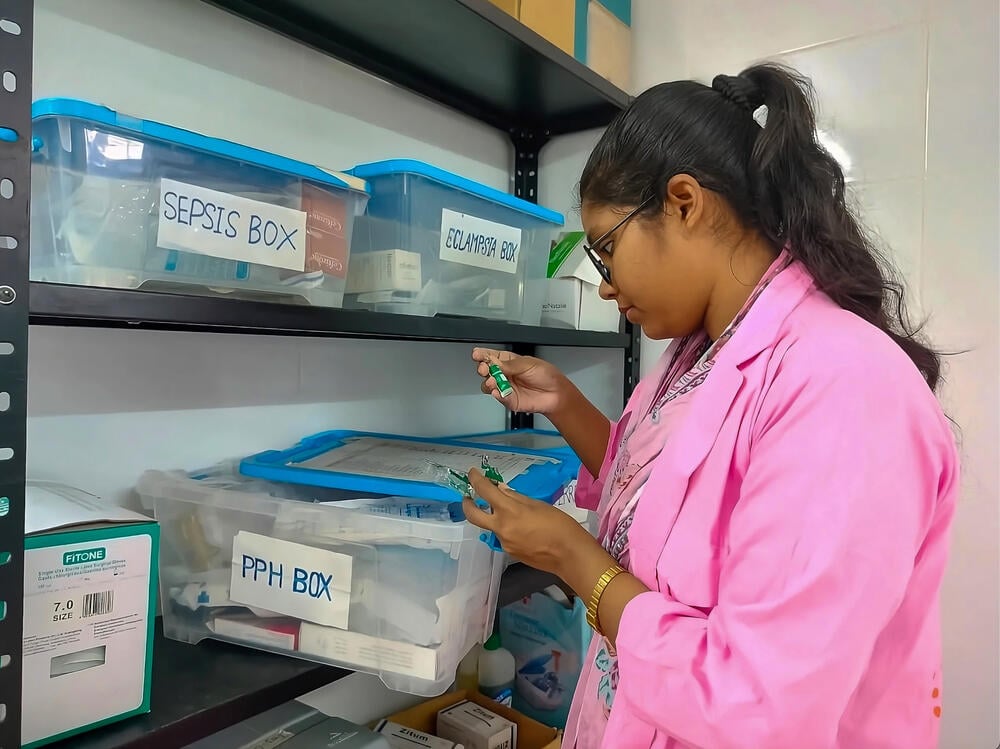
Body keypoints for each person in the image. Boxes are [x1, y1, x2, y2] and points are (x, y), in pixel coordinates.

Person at [462, 64, 958, 749]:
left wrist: (572, 558)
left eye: (607, 252)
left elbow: (758, 704)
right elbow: (674, 509)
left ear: (686, 202)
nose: (605, 288)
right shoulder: (699, 355)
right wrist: (567, 405)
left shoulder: (846, 385)